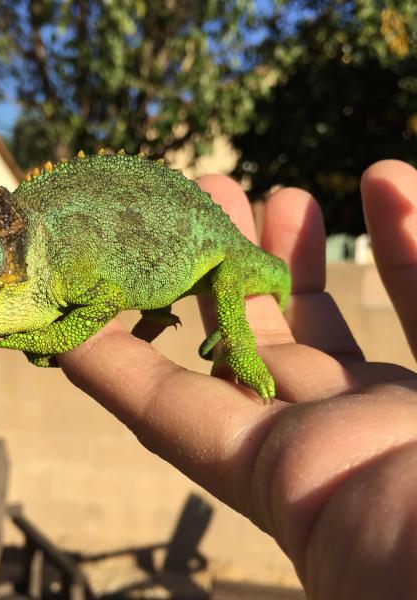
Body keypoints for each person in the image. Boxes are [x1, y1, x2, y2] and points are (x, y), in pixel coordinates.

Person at [57, 159, 417, 600]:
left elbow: (226, 274)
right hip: (189, 259)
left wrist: (241, 350)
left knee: (228, 279)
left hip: (224, 258)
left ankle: (238, 348)